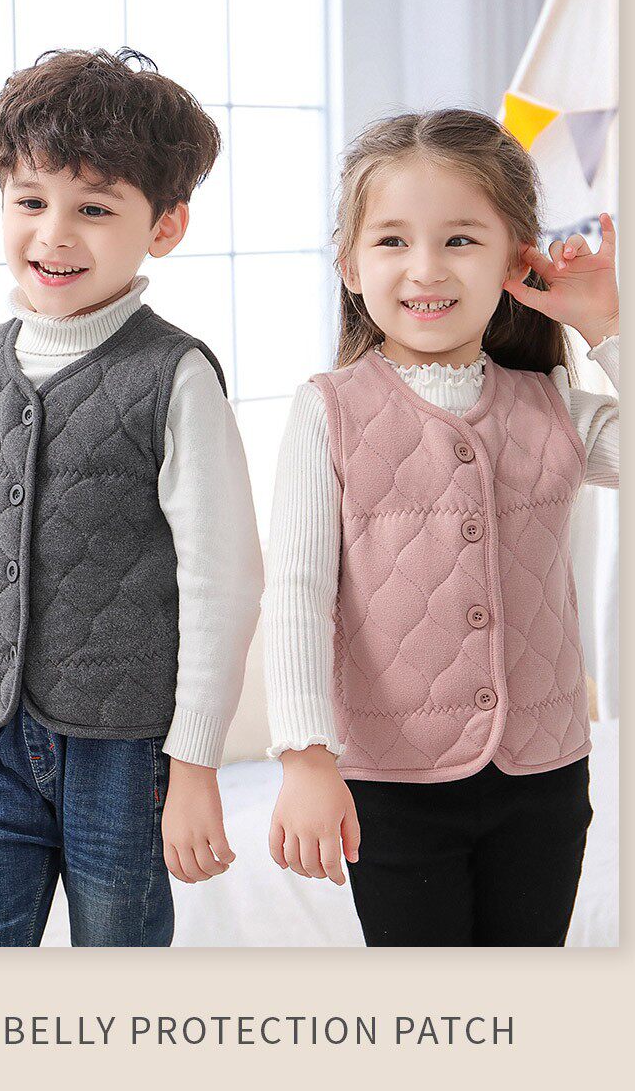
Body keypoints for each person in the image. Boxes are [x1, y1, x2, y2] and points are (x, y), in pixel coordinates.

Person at [0, 47, 264, 947]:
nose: (54, 235)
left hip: (126, 758)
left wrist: (195, 765)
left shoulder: (175, 375)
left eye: (94, 209)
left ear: (165, 226)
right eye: (30, 201)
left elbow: (222, 583)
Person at [263, 109, 619, 946]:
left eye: (460, 239)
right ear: (350, 265)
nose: (426, 268)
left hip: (545, 774)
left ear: (516, 260)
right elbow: (298, 596)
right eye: (392, 241)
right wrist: (306, 756)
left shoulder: (557, 408)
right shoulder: (327, 413)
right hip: (391, 784)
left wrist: (607, 325)